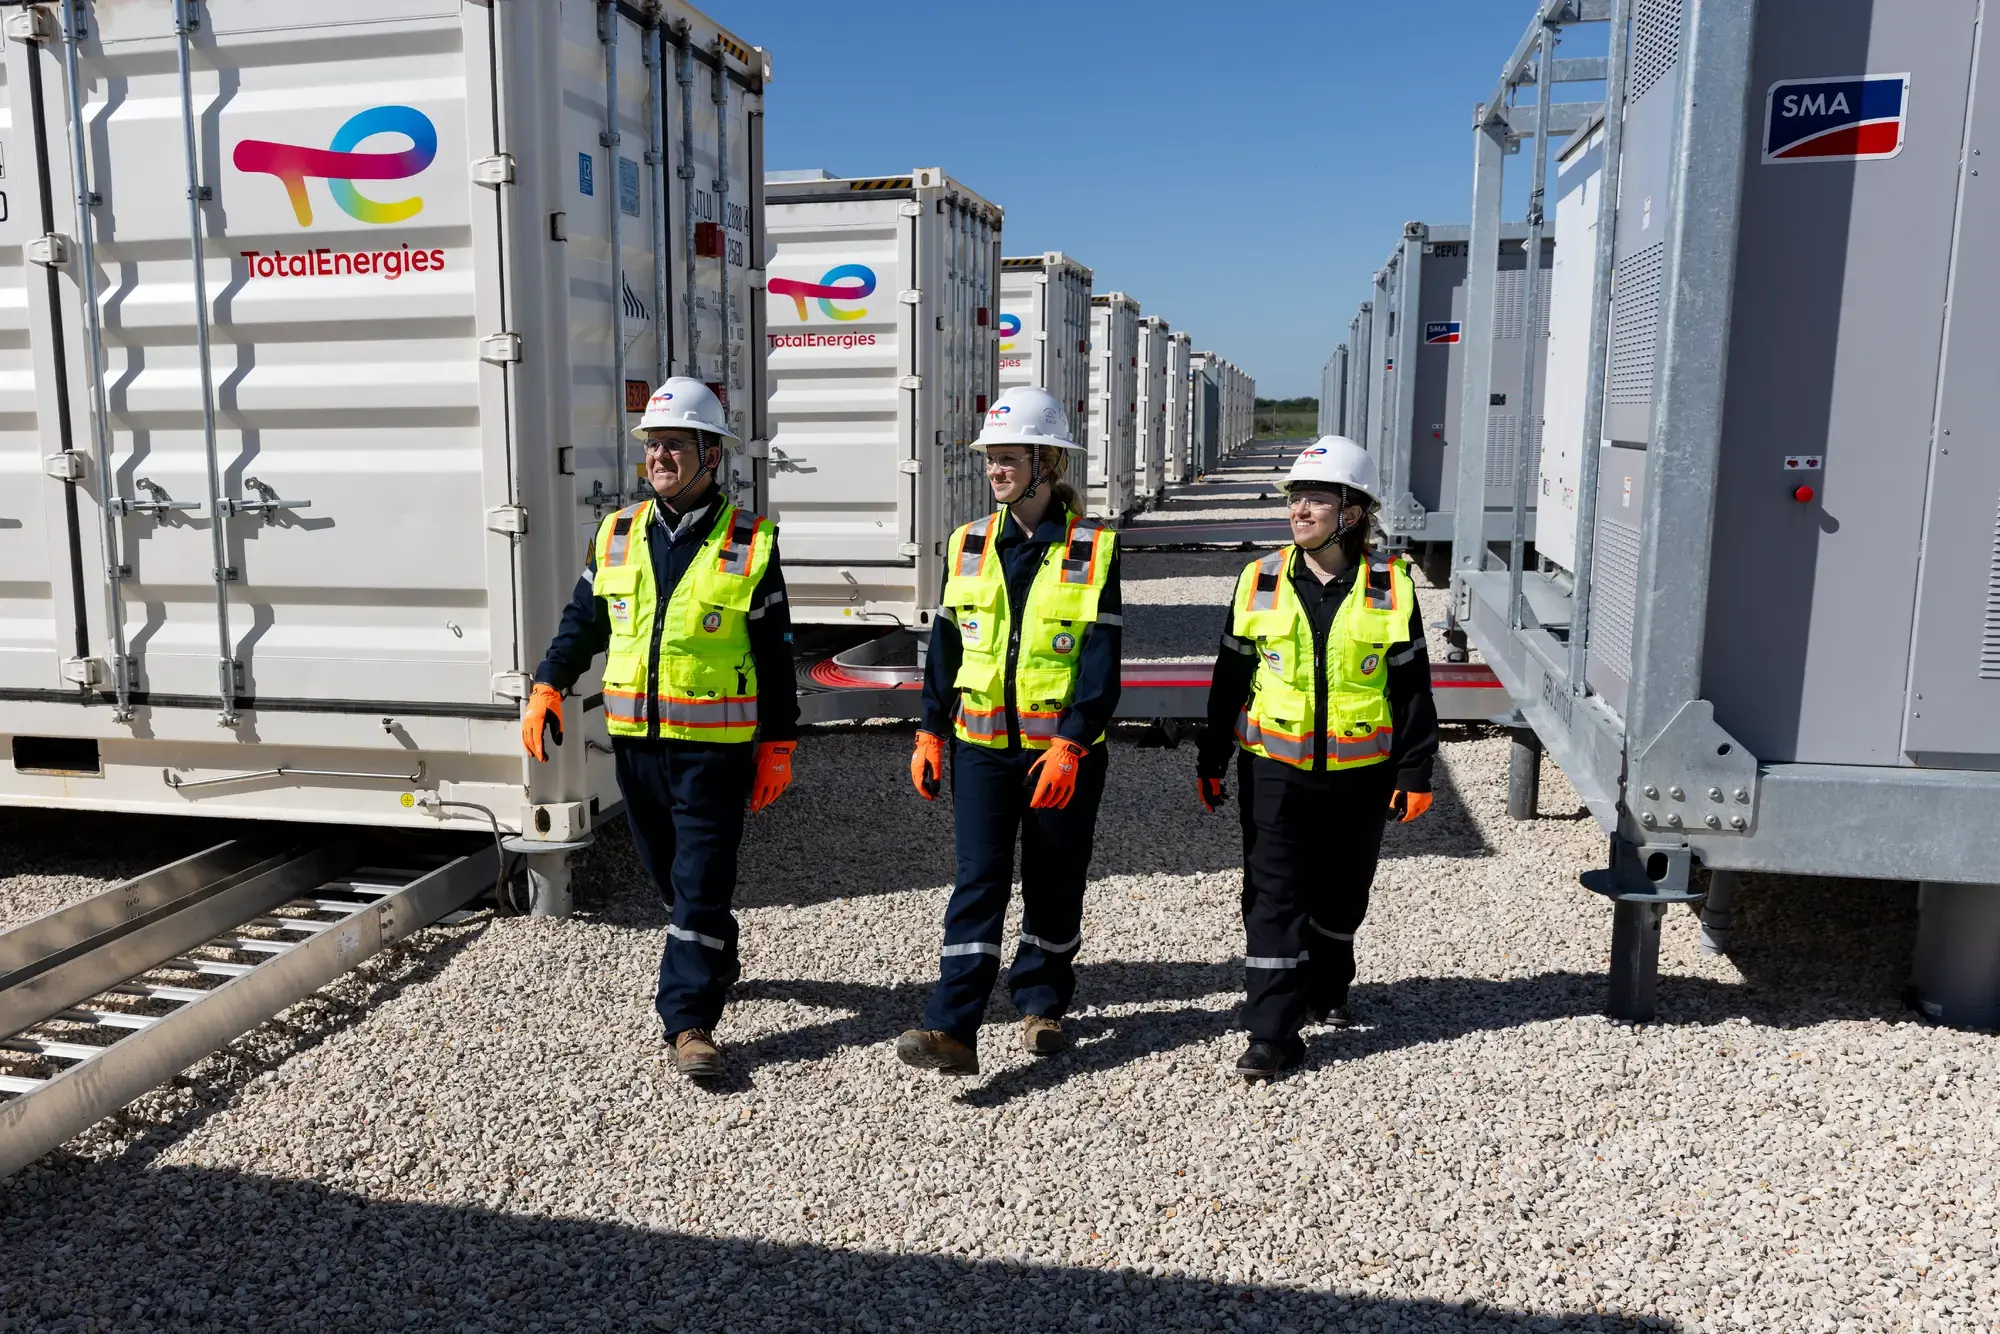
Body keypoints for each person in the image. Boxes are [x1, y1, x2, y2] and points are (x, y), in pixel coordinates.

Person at [521, 378, 798, 1082]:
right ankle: (716, 954)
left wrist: (780, 744)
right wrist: (549, 682)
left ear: (712, 454)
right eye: (652, 444)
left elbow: (774, 655)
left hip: (716, 749)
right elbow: (582, 623)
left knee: (701, 879)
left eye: (675, 443)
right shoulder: (616, 534)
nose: (660, 455)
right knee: (673, 880)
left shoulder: (750, 541)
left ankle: (687, 1020)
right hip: (637, 746)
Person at [896, 386, 1123, 1076]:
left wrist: (1072, 743)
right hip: (982, 750)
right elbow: (944, 648)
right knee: (979, 881)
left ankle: (1042, 1003)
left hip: (1061, 755)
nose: (995, 471)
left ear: (1046, 463)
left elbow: (1102, 661)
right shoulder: (967, 544)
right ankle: (953, 1026)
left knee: (1055, 882)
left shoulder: (1093, 547)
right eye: (991, 459)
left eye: (1007, 459)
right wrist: (930, 731)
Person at [1196, 435, 1438, 1081]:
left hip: (1362, 773)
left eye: (1314, 499)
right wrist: (1211, 756)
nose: (1299, 510)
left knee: (1341, 896)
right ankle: (1270, 1033)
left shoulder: (1390, 585)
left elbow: (1411, 688)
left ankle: (1327, 983)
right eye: (1295, 498)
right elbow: (1230, 676)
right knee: (1273, 896)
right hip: (1273, 769)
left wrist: (1417, 770)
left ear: (1352, 511)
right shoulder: (1260, 578)